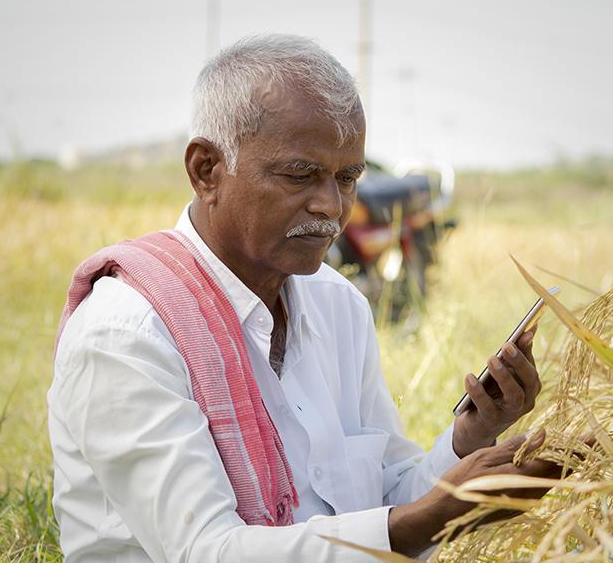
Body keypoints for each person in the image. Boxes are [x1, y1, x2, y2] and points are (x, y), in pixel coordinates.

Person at [47, 34, 568, 562]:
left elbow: (383, 504)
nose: (331, 207)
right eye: (300, 175)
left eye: (348, 178)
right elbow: (206, 551)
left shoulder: (335, 304)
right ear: (207, 171)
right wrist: (435, 514)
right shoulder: (126, 332)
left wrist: (469, 440)